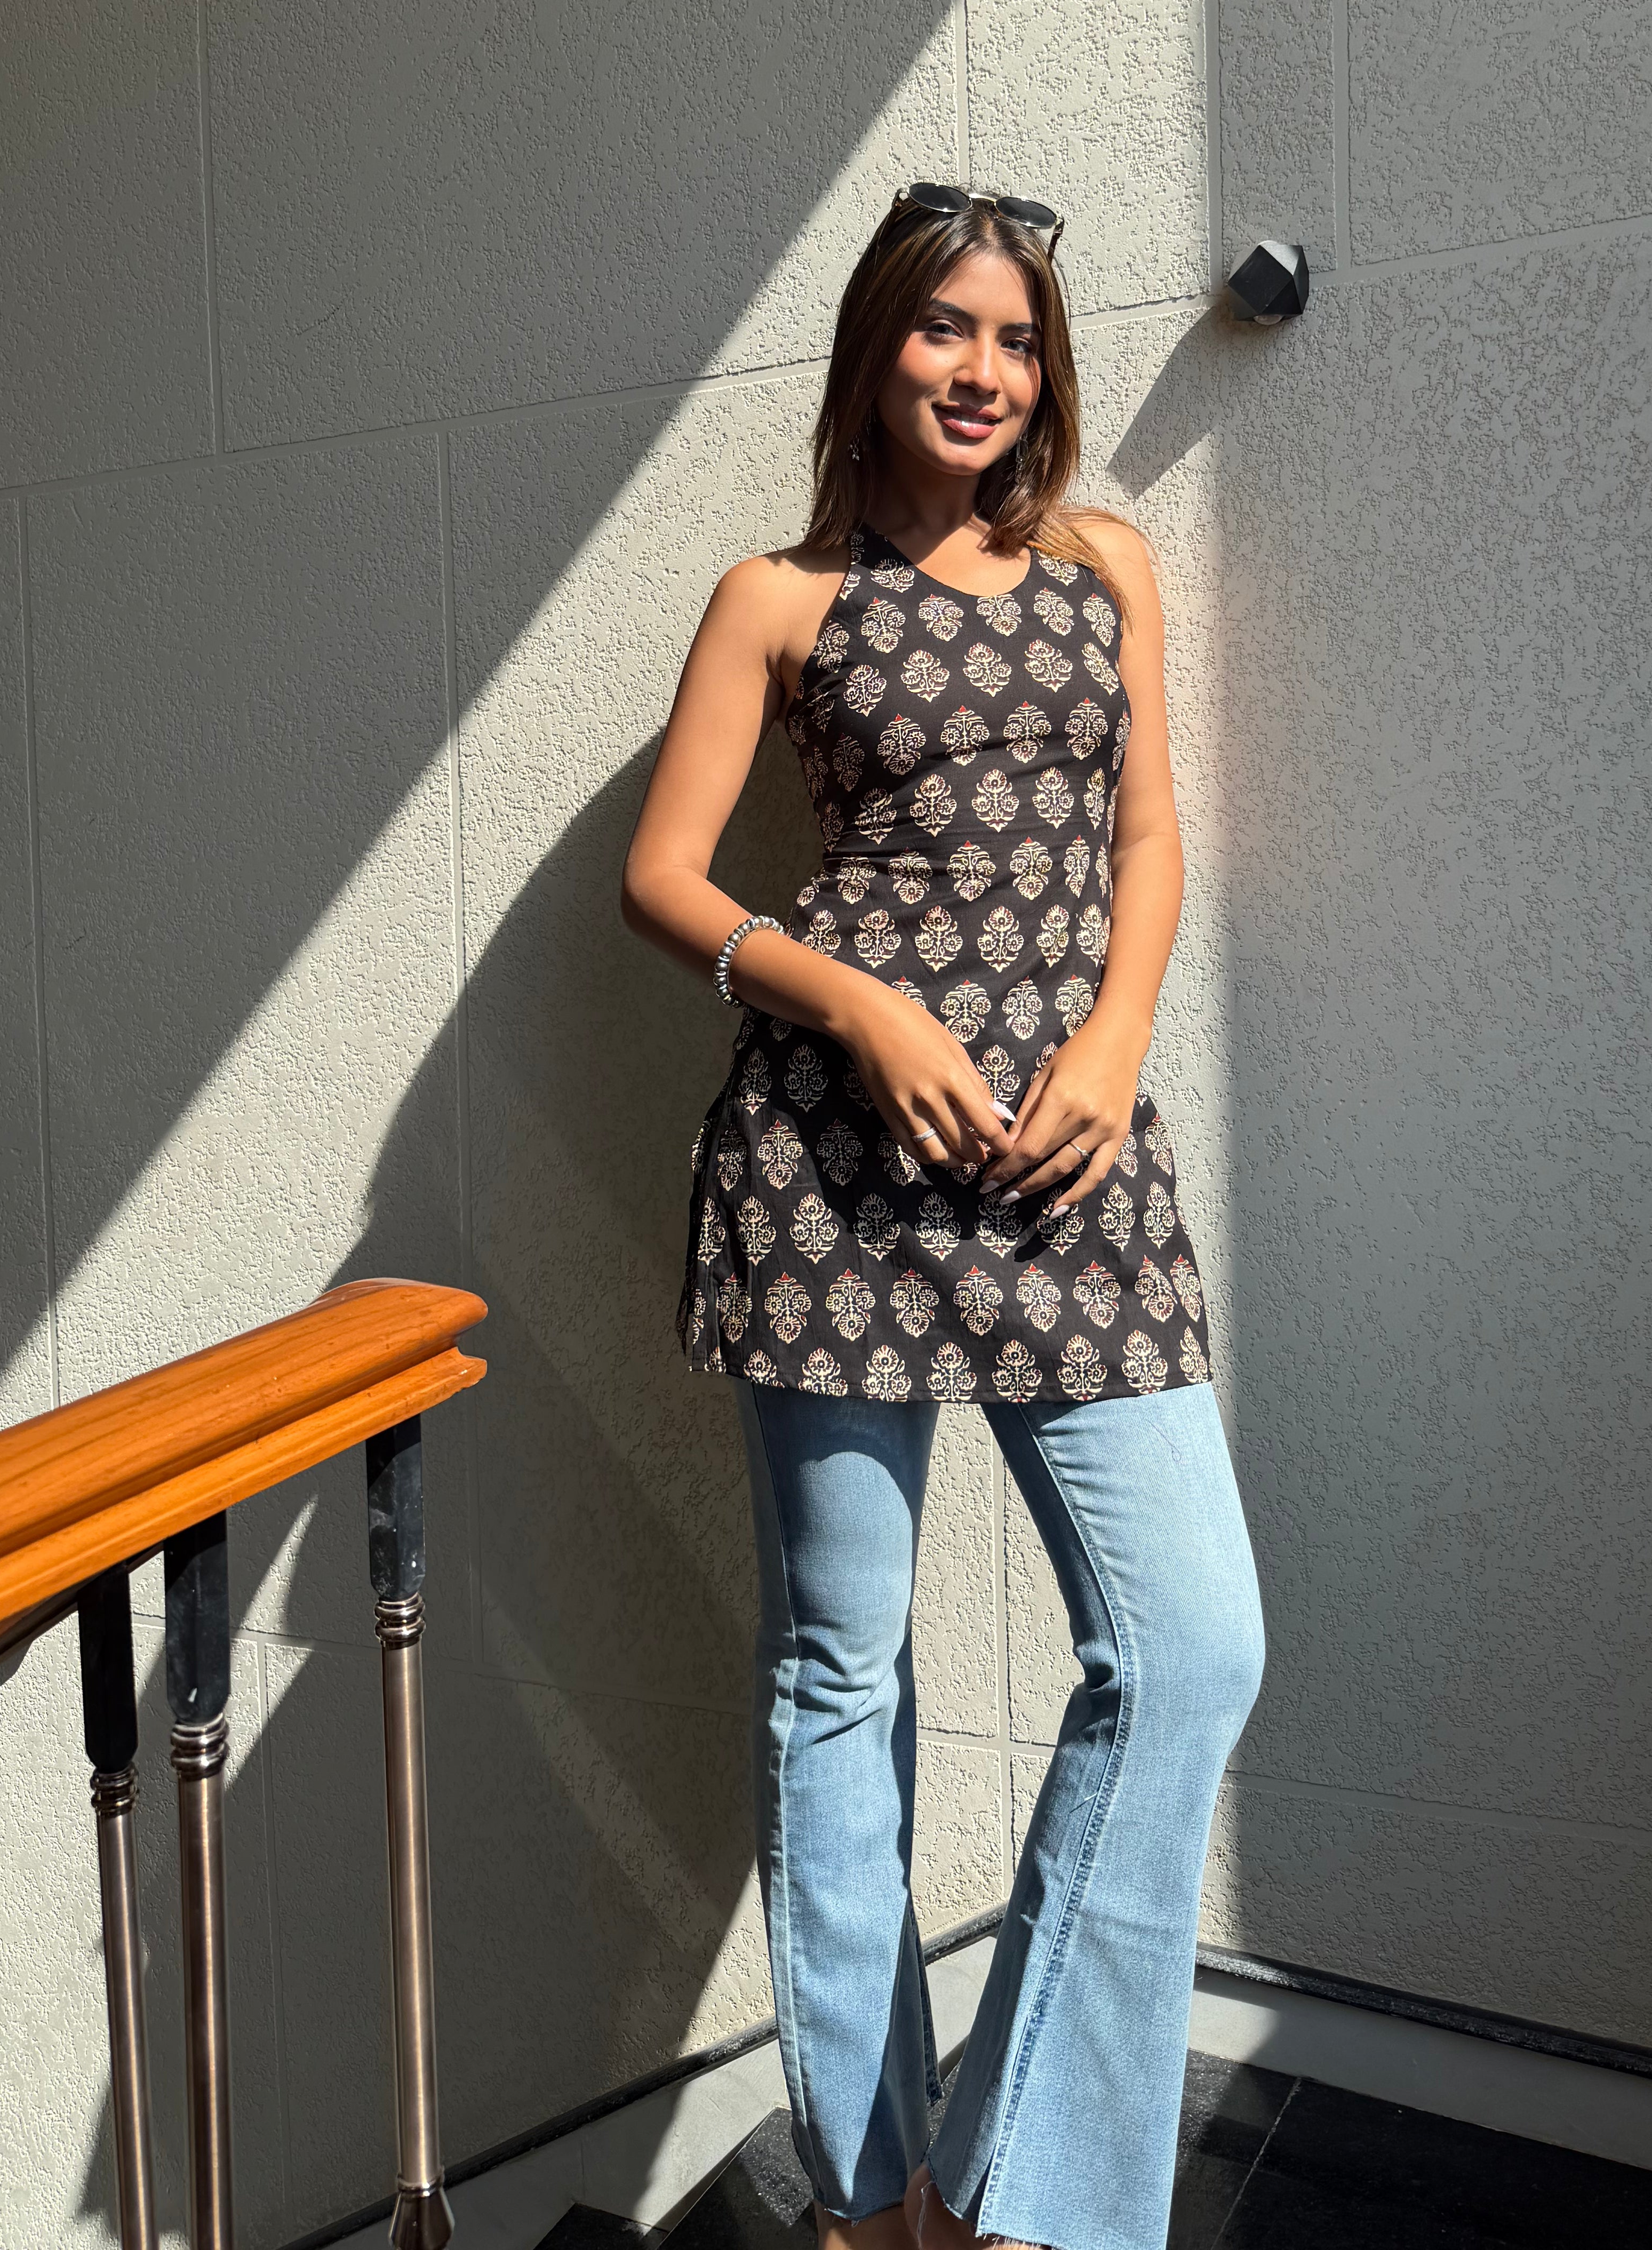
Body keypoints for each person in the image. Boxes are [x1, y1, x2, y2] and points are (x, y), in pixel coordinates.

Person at [620, 185, 1265, 2250]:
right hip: (833, 1182)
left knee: (1192, 1644)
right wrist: (858, 1004)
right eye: (943, 329)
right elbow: (665, 878)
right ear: (875, 349)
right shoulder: (777, 600)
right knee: (842, 1679)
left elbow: (1146, 835)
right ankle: (873, 2192)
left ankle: (1009, 2187)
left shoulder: (1102, 564)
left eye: (1015, 337)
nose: (984, 369)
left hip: (1073, 1164)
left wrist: (1115, 1041)